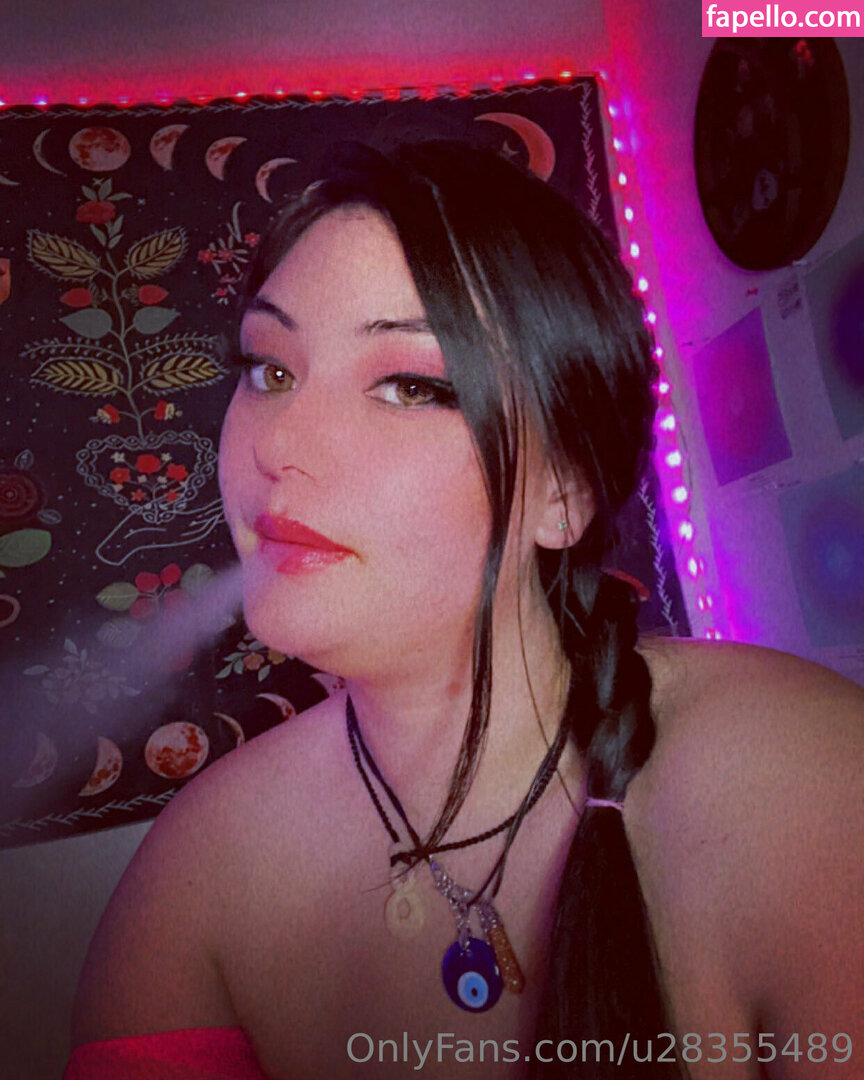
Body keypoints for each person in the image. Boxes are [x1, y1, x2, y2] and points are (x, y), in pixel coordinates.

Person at [65, 139, 864, 1080]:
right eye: (270, 369)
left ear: (565, 490)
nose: (280, 444)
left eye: (409, 385)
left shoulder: (810, 790)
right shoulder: (194, 875)